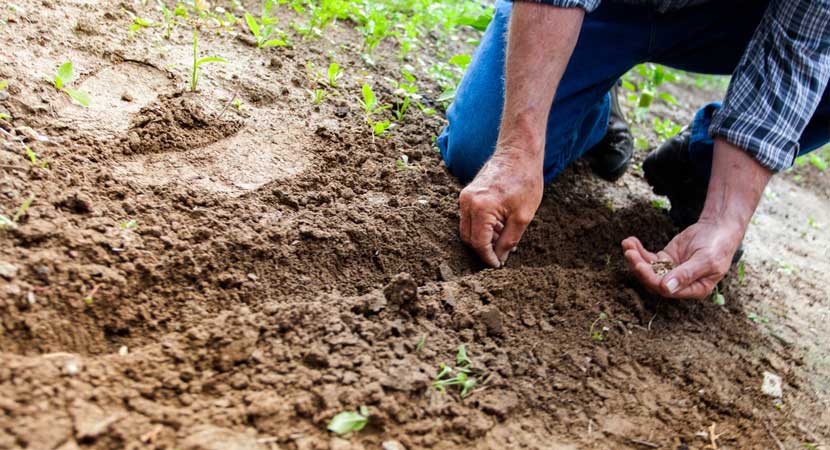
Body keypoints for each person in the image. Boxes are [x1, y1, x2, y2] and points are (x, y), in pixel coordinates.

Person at [436, 0, 830, 300]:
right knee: (480, 150)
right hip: (605, 9)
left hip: (730, 18)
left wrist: (724, 219)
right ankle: (591, 106)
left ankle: (703, 166)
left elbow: (801, 46)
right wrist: (516, 151)